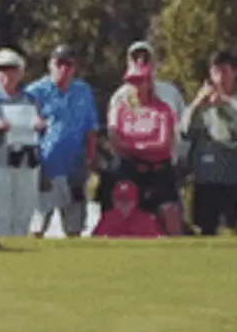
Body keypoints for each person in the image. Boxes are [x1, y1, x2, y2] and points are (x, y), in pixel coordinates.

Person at [25, 45, 99, 238]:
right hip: (46, 165)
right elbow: (21, 122)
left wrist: (90, 159)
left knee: (74, 224)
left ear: (75, 68)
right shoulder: (35, 91)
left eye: (69, 64)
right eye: (59, 63)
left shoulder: (83, 91)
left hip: (75, 164)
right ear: (50, 64)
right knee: (38, 225)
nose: (63, 69)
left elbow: (91, 129)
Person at [0, 49, 46, 238]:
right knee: (0, 212)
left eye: (12, 69)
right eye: (1, 69)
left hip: (26, 159)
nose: (7, 74)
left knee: (24, 210)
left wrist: (40, 125)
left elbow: (41, 126)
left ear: (20, 73)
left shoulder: (31, 99)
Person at [108, 58, 182, 235]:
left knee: (169, 211)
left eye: (140, 81)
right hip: (130, 169)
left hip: (158, 170)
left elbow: (164, 143)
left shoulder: (162, 109)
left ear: (149, 83)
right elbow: (115, 140)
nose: (135, 86)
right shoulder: (121, 109)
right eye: (132, 81)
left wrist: (133, 146)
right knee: (121, 202)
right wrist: (142, 147)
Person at [179, 50, 237, 236]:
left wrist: (225, 106)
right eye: (215, 72)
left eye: (224, 72)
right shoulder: (203, 105)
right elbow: (184, 131)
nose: (220, 78)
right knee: (205, 229)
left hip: (232, 179)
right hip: (206, 180)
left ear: (234, 73)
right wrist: (197, 104)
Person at [90, 180, 163, 239]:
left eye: (127, 200)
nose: (123, 204)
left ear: (135, 201)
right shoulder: (107, 218)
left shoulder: (147, 220)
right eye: (120, 200)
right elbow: (95, 242)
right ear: (113, 201)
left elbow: (156, 243)